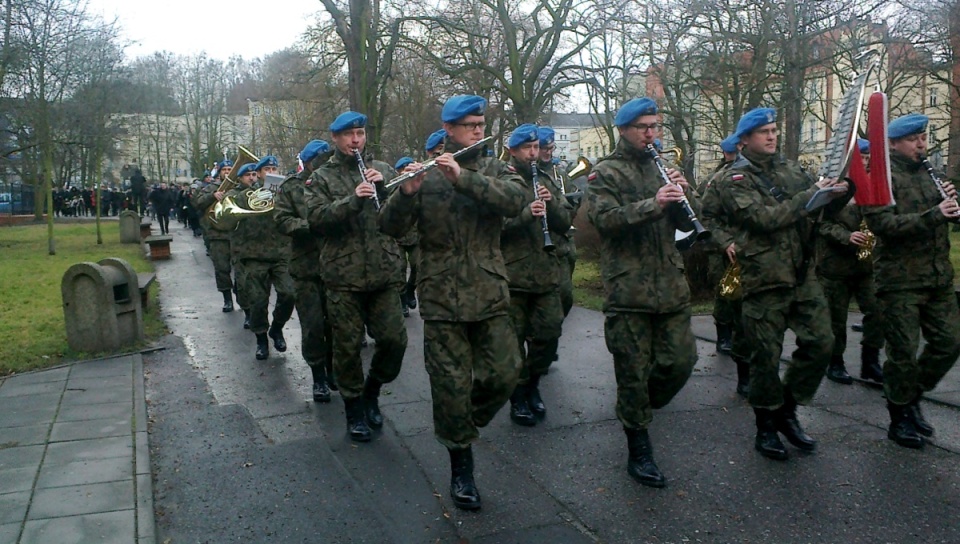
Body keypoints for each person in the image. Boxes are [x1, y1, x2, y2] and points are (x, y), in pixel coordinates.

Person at [379, 95, 527, 511]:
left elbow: (515, 203)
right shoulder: (426, 174)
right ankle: (461, 464)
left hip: (490, 290)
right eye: (469, 125)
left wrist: (465, 178)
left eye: (481, 123)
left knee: (505, 373)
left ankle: (465, 421)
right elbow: (388, 227)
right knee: (449, 385)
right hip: (441, 296)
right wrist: (406, 194)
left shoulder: (498, 169)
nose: (478, 130)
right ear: (449, 130)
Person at [719, 107, 849, 461]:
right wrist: (810, 196)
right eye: (764, 132)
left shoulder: (791, 169)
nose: (773, 136)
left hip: (802, 274)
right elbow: (764, 218)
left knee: (822, 343)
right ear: (744, 140)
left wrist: (841, 191)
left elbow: (817, 210)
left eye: (775, 130)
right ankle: (765, 427)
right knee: (765, 357)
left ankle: (786, 408)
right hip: (764, 278)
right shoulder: (733, 179)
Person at [585, 97, 699, 488]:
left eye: (655, 126)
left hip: (669, 283)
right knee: (632, 371)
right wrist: (653, 203)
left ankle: (637, 408)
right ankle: (639, 444)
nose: (651, 134)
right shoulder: (606, 172)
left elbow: (687, 222)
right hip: (629, 287)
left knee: (680, 362)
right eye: (643, 127)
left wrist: (684, 194)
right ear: (624, 130)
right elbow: (605, 220)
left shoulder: (662, 167)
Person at [304, 111, 408, 443]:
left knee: (394, 340)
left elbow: (402, 221)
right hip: (342, 275)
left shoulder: (385, 170)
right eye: (348, 135)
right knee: (347, 348)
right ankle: (354, 410)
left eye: (360, 134)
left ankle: (372, 391)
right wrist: (353, 199)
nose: (355, 141)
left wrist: (391, 192)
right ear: (335, 138)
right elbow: (316, 219)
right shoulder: (322, 177)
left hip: (383, 271)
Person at [863, 113, 960, 449]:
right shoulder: (880, 176)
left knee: (950, 342)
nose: (921, 145)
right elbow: (882, 225)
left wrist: (951, 202)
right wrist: (934, 214)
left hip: (936, 276)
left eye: (923, 138)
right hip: (900, 280)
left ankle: (911, 395)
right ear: (893, 143)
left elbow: (946, 218)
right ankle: (899, 415)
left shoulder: (929, 173)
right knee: (902, 352)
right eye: (913, 140)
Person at [500, 123, 572, 426]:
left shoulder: (545, 179)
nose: (533, 153)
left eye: (535, 147)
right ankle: (518, 396)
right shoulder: (502, 180)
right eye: (527, 148)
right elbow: (493, 228)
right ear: (514, 150)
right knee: (513, 344)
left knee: (549, 335)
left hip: (545, 272)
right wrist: (527, 213)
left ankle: (532, 385)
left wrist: (552, 204)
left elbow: (565, 221)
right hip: (512, 275)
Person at [816, 138, 884, 385]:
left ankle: (871, 361)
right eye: (860, 159)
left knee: (877, 311)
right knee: (836, 317)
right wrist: (846, 236)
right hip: (836, 266)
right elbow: (821, 224)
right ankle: (835, 362)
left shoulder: (876, 185)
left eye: (867, 159)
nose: (864, 163)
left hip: (867, 266)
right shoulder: (836, 188)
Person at [274, 140, 338, 402]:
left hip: (337, 264)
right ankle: (318, 376)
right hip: (307, 266)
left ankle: (333, 368)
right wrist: (309, 225)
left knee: (337, 323)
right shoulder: (291, 187)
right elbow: (281, 219)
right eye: (323, 159)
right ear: (311, 163)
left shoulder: (335, 182)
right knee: (313, 324)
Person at [221, 159, 296, 360]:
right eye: (266, 169)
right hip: (254, 255)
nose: (271, 172)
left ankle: (277, 328)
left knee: (289, 293)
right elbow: (226, 218)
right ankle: (261, 339)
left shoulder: (285, 192)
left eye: (274, 169)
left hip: (280, 252)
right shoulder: (242, 195)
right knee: (258, 302)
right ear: (259, 173)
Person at [699, 134, 750, 397]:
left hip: (747, 248)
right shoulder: (716, 178)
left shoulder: (750, 174)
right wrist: (724, 242)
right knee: (725, 291)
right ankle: (724, 335)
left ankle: (736, 341)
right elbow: (705, 212)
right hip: (722, 249)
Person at [537, 126, 579, 318]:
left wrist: (571, 201)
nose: (548, 152)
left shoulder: (559, 174)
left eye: (551, 148)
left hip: (562, 243)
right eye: (543, 148)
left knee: (565, 295)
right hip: (537, 242)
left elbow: (571, 208)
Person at [192, 160, 236, 312]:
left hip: (237, 234)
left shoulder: (238, 187)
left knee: (242, 270)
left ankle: (243, 299)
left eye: (230, 169)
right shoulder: (211, 187)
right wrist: (212, 196)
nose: (228, 172)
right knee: (222, 268)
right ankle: (227, 299)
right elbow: (197, 203)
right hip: (217, 234)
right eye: (225, 169)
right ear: (219, 171)